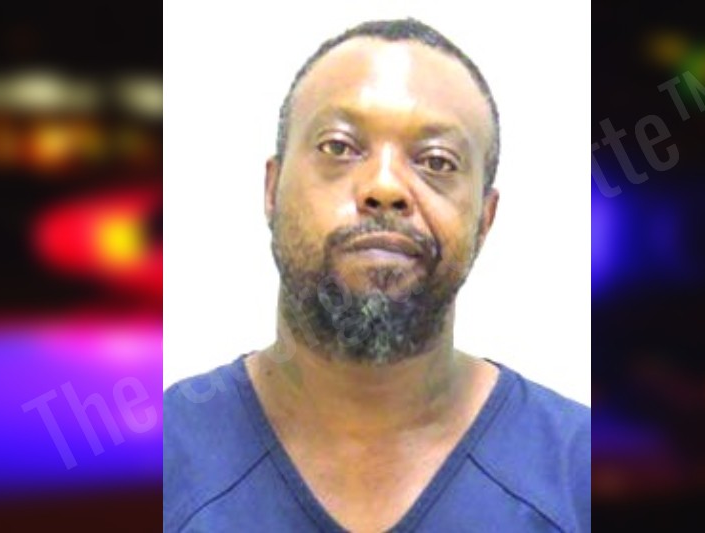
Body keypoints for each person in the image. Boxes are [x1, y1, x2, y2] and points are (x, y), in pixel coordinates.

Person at [164, 18, 590, 532]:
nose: (385, 187)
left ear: (484, 219)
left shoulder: (582, 476)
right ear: (272, 190)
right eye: (339, 147)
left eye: (437, 161)